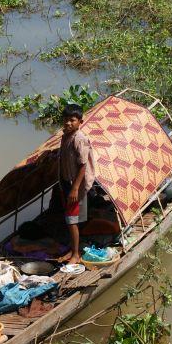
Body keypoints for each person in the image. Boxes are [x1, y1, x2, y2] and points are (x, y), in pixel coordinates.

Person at [58, 103, 95, 264]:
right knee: (70, 218)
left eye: (72, 120)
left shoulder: (80, 139)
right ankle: (73, 249)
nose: (68, 123)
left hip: (76, 184)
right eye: (65, 120)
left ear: (80, 121)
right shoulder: (66, 136)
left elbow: (83, 165)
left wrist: (74, 189)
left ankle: (75, 254)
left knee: (72, 219)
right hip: (67, 181)